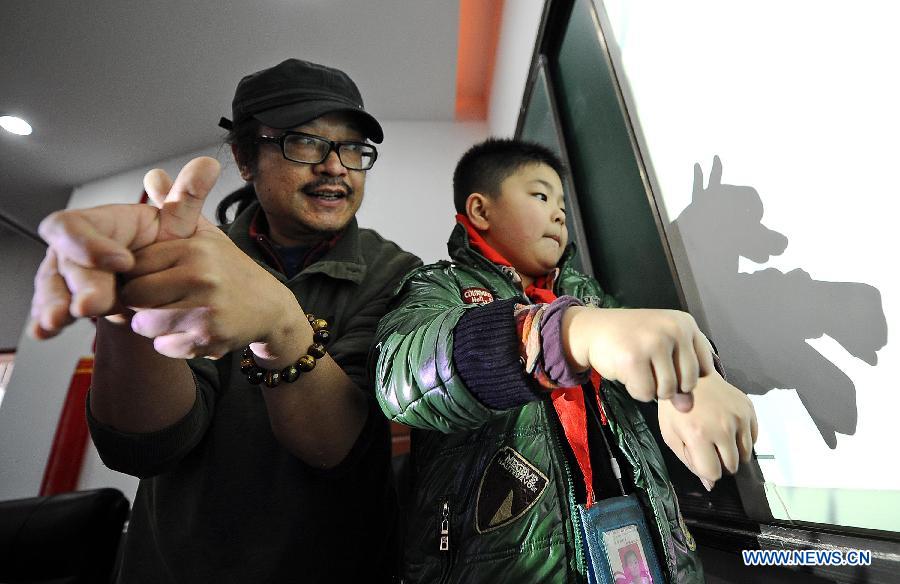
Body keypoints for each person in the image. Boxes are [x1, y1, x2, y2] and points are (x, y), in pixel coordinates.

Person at [29, 59, 421, 582]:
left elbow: (337, 447)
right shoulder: (189, 260)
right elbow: (145, 444)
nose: (335, 166)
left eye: (352, 147)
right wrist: (133, 303)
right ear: (243, 157)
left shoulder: (398, 274)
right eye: (305, 142)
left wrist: (280, 322)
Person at [372, 138, 758, 583]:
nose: (559, 213)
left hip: (643, 546)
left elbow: (648, 341)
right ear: (480, 211)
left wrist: (695, 376)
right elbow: (400, 374)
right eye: (540, 196)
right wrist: (565, 334)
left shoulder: (589, 294)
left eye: (562, 204)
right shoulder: (439, 287)